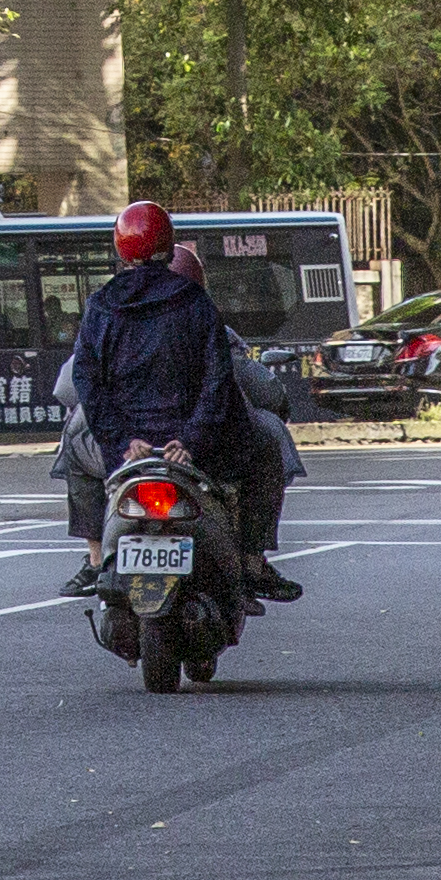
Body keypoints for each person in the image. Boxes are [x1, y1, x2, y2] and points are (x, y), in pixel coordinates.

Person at [64, 200, 306, 604]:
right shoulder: (195, 303)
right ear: (169, 244)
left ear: (120, 248)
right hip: (195, 452)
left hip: (129, 454)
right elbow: (218, 378)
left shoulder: (100, 306)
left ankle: (94, 560)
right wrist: (191, 441)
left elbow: (86, 381)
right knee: (267, 446)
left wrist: (124, 441)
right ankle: (251, 562)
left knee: (72, 446)